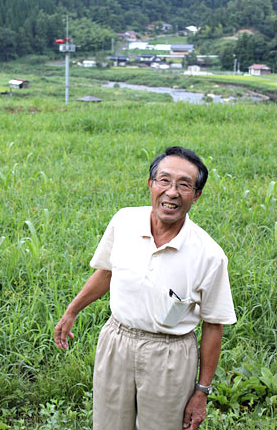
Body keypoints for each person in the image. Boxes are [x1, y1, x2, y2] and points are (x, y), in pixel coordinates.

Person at [54, 146, 236, 430]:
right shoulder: (124, 221)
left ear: (196, 195)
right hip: (117, 341)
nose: (172, 192)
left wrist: (201, 392)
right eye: (164, 180)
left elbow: (214, 325)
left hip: (170, 354)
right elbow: (106, 273)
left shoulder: (209, 255)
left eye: (184, 185)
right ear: (151, 184)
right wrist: (71, 311)